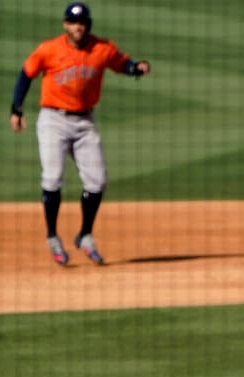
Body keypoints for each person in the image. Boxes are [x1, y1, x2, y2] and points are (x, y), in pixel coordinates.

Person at [10, 2, 151, 266]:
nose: (78, 27)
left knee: (97, 182)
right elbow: (26, 74)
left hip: (85, 122)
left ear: (88, 25)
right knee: (53, 178)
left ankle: (85, 235)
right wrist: (16, 109)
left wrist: (136, 68)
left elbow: (121, 63)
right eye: (74, 22)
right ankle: (52, 236)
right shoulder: (49, 49)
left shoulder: (101, 48)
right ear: (66, 24)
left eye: (82, 23)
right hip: (53, 120)